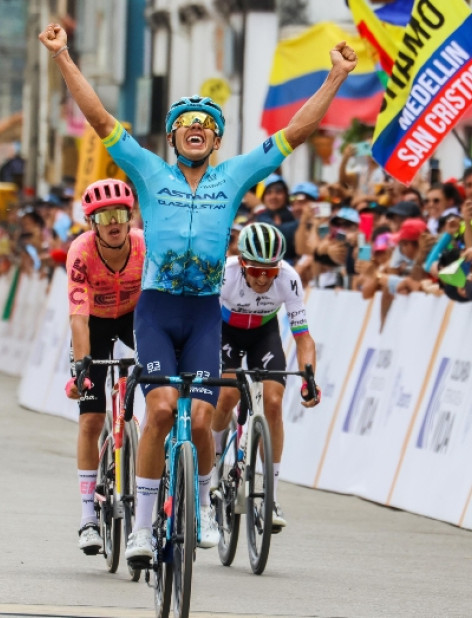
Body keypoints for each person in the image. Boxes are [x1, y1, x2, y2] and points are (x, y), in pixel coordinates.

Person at [38, 22, 352, 562]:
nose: (196, 129)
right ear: (173, 137)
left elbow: (296, 133)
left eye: (206, 125)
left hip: (206, 314)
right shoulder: (147, 169)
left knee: (205, 419)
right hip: (157, 310)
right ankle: (139, 527)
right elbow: (99, 118)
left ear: (216, 138)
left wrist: (335, 77)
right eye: (186, 124)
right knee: (159, 411)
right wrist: (64, 55)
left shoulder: (232, 177)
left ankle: (203, 506)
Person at [211, 222, 320, 529]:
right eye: (256, 270)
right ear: (242, 263)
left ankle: (270, 496)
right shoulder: (226, 273)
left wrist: (309, 380)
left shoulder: (289, 278)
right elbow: (203, 322)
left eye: (269, 271)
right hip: (225, 332)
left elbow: (303, 337)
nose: (262, 278)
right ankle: (215, 454)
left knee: (273, 401)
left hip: (263, 334)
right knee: (228, 391)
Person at [64, 178, 145, 554]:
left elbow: (157, 303)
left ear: (130, 216)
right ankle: (87, 518)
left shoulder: (144, 245)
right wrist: (83, 367)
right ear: (91, 222)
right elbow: (78, 317)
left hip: (134, 318)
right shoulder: (80, 252)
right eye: (104, 216)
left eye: (120, 214)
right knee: (91, 419)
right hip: (94, 324)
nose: (113, 222)